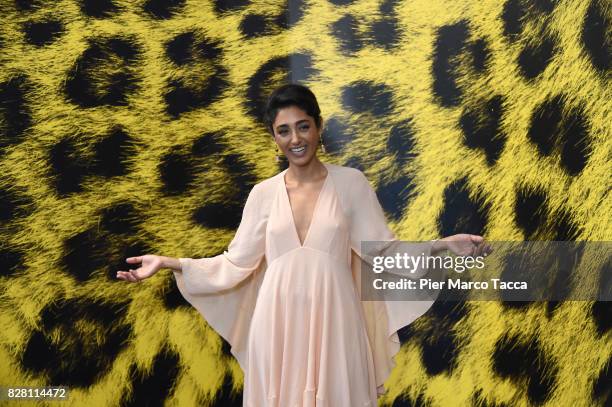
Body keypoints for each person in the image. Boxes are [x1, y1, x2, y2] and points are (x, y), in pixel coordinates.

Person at [116, 84, 490, 406]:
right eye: (283, 131)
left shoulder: (351, 184)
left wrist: (443, 246)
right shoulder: (262, 194)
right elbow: (234, 264)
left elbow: (384, 251)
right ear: (274, 138)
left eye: (302, 127)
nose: (295, 139)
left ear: (318, 127)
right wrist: (169, 263)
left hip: (337, 321)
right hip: (275, 326)